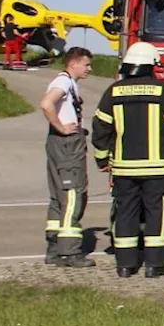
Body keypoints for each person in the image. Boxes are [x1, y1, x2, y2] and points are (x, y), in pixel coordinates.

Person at [91, 42, 164, 278]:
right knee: (156, 213)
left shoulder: (113, 91)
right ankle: (154, 265)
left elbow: (100, 128)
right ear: (150, 66)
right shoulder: (162, 91)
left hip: (124, 169)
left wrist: (101, 159)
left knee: (125, 213)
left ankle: (125, 265)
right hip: (157, 168)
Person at [39, 46, 95, 267]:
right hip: (66, 146)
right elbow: (46, 103)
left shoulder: (67, 82)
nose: (89, 69)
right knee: (73, 195)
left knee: (58, 197)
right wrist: (61, 127)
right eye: (87, 64)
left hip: (59, 144)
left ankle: (53, 247)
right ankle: (69, 252)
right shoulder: (63, 82)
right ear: (74, 64)